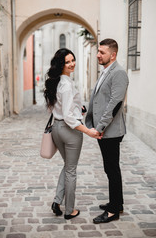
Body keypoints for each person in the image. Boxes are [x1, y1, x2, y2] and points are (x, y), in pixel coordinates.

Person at [44, 48, 101, 220]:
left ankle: (57, 201)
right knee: (71, 170)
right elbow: (69, 117)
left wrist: (79, 108)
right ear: (60, 64)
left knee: (68, 166)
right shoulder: (67, 85)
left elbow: (61, 108)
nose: (71, 64)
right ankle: (69, 210)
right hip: (70, 131)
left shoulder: (57, 82)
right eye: (67, 62)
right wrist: (88, 131)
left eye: (72, 60)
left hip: (56, 130)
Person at [85, 38, 129, 223]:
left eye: (102, 52)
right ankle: (116, 203)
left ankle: (113, 211)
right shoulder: (106, 71)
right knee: (109, 168)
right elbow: (99, 98)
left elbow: (114, 104)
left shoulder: (118, 73)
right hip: (104, 130)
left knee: (112, 169)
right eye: (98, 51)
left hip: (109, 131)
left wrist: (100, 127)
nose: (98, 55)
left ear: (113, 54)